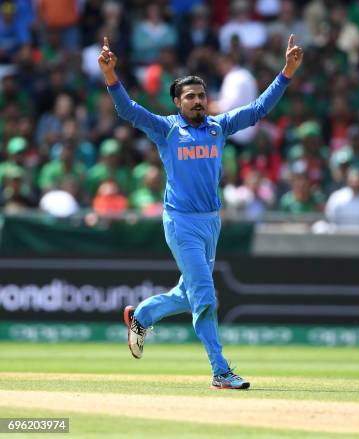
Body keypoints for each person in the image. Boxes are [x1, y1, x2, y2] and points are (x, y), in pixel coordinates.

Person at [99, 34, 302, 389]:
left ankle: (142, 315)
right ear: (177, 102)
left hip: (211, 222)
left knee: (188, 293)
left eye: (202, 96)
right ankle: (220, 371)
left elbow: (257, 110)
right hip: (180, 223)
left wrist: (286, 72)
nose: (198, 101)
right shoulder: (166, 129)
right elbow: (128, 111)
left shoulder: (218, 127)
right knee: (205, 297)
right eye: (190, 96)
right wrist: (111, 76)